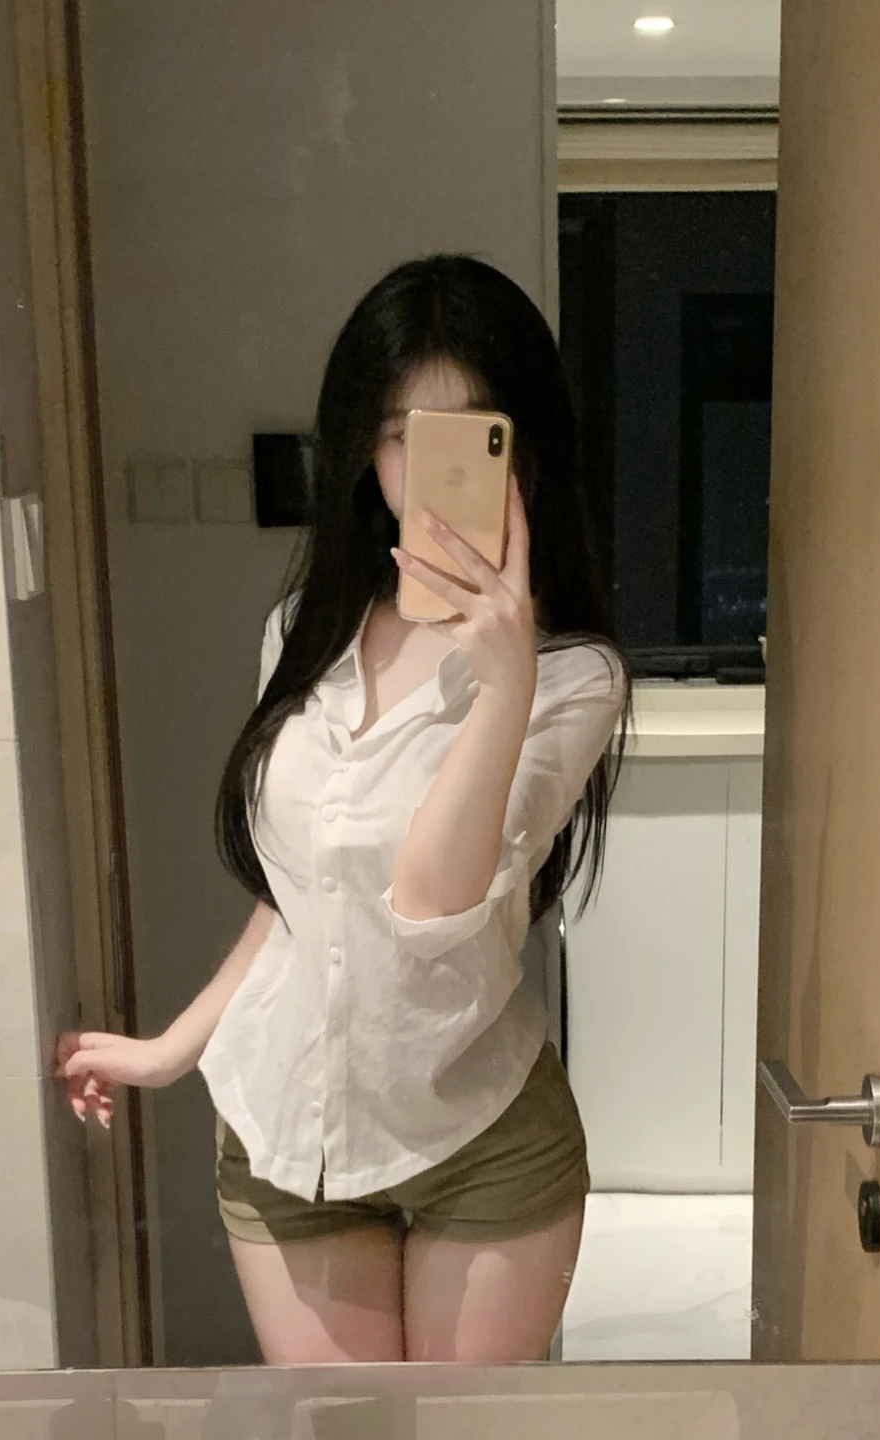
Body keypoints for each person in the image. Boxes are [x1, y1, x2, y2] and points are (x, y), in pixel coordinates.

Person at [57, 254, 629, 1364]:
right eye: (401, 433)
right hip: (286, 1134)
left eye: (468, 435)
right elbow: (301, 896)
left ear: (523, 451)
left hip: (480, 1138)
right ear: (366, 450)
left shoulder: (572, 678)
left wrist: (502, 686)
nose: (427, 470)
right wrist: (172, 1049)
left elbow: (427, 901)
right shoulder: (302, 633)